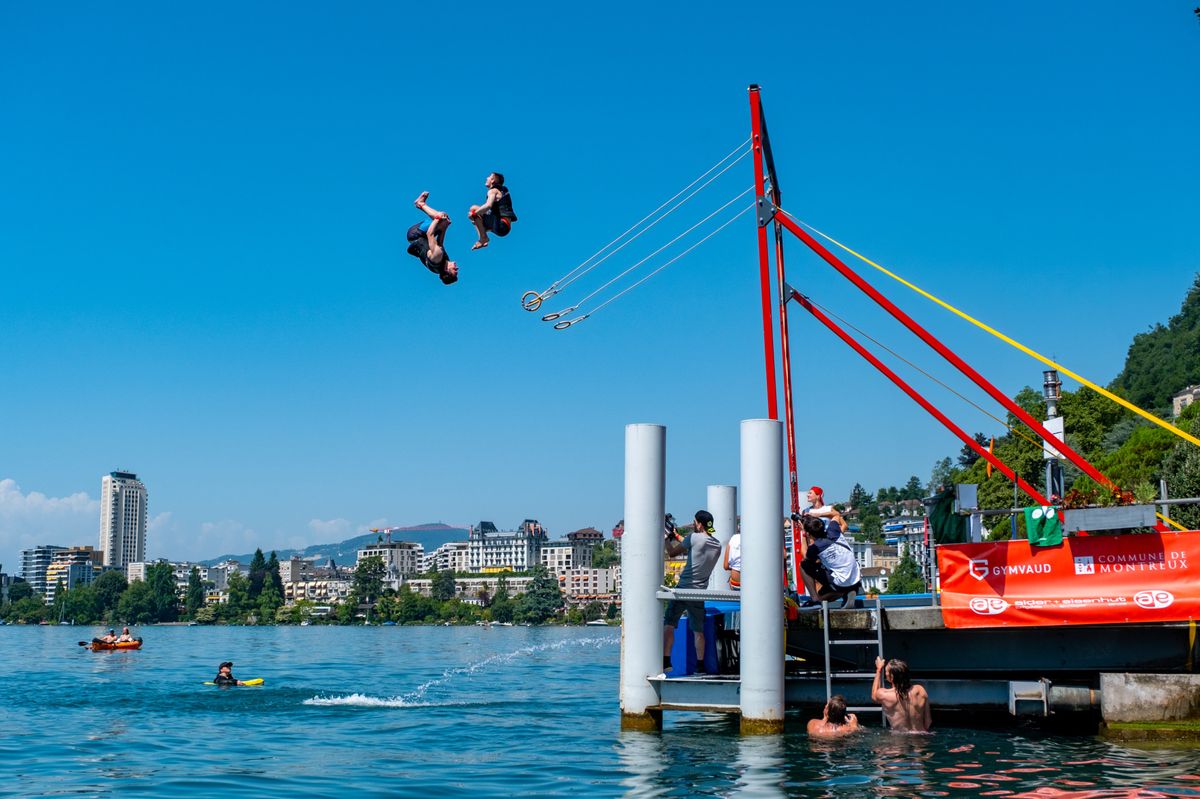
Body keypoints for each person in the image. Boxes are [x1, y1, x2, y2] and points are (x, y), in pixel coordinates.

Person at [663, 510, 723, 674]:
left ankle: (666, 661)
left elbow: (672, 552)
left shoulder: (694, 538)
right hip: (699, 593)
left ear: (699, 524)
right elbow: (697, 545)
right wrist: (676, 536)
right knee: (698, 631)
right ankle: (700, 665)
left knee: (669, 624)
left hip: (683, 589)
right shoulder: (717, 545)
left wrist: (666, 539)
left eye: (695, 522)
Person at [800, 515, 862, 606]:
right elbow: (836, 516)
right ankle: (848, 592)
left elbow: (805, 556)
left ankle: (816, 599)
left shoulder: (815, 548)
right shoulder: (833, 529)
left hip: (841, 584)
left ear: (808, 534)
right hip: (857, 580)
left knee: (803, 565)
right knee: (822, 593)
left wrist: (803, 535)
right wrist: (815, 517)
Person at [407, 192, 459, 285]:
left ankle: (420, 204)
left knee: (441, 218)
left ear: (447, 270)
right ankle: (422, 205)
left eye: (454, 270)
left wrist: (437, 218)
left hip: (415, 234)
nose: (457, 267)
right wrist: (445, 228)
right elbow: (440, 243)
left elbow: (430, 234)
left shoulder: (437, 256)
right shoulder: (441, 264)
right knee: (444, 222)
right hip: (421, 237)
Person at [873, 656, 932, 732]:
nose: (885, 673)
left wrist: (878, 669)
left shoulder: (886, 695)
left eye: (886, 671)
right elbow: (928, 722)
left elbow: (874, 695)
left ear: (892, 677)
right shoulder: (920, 690)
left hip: (900, 740)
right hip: (922, 737)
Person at [467, 172, 517, 250]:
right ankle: (484, 232)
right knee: (476, 219)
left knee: (473, 209)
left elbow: (488, 205)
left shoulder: (493, 191)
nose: (487, 178)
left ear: (492, 180)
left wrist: (474, 213)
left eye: (489, 177)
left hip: (501, 225)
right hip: (505, 227)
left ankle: (483, 238)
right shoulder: (502, 191)